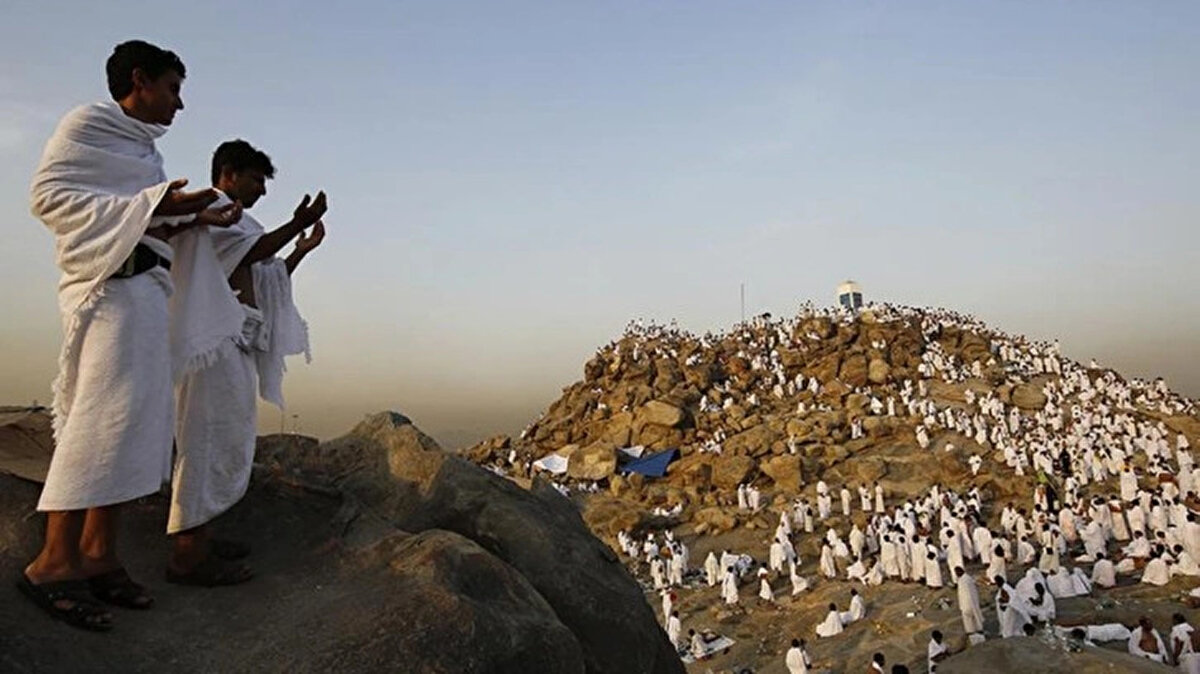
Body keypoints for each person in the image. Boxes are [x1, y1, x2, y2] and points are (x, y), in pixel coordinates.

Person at [20, 39, 238, 631]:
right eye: (172, 88)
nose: (179, 104)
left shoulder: (144, 153)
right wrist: (154, 202)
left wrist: (191, 214)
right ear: (139, 81)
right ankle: (51, 562)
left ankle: (98, 553)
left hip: (145, 296)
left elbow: (143, 216)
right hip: (107, 295)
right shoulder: (87, 125)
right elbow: (49, 199)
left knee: (134, 428)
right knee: (96, 423)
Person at [167, 140, 327, 585]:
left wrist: (302, 247)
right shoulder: (212, 212)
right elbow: (253, 254)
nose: (261, 188)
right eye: (256, 178)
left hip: (237, 342)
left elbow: (266, 275)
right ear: (229, 173)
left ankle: (202, 536)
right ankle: (186, 555)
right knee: (205, 440)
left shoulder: (241, 223)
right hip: (214, 343)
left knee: (227, 439)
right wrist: (299, 220)